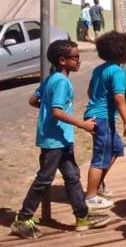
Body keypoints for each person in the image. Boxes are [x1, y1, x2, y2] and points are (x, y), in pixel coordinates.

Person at [11, 41, 111, 240]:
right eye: (75, 57)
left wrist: (47, 110)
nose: (79, 60)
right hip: (53, 141)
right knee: (44, 180)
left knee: (72, 177)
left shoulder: (52, 79)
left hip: (62, 139)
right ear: (62, 61)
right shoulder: (62, 82)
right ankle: (23, 219)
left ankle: (82, 217)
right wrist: (82, 124)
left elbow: (33, 100)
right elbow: (57, 111)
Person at [83, 31, 126, 211]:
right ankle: (90, 197)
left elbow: (90, 92)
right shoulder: (117, 71)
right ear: (122, 51)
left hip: (96, 114)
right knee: (101, 156)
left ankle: (97, 186)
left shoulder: (100, 69)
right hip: (102, 118)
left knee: (115, 150)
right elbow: (119, 97)